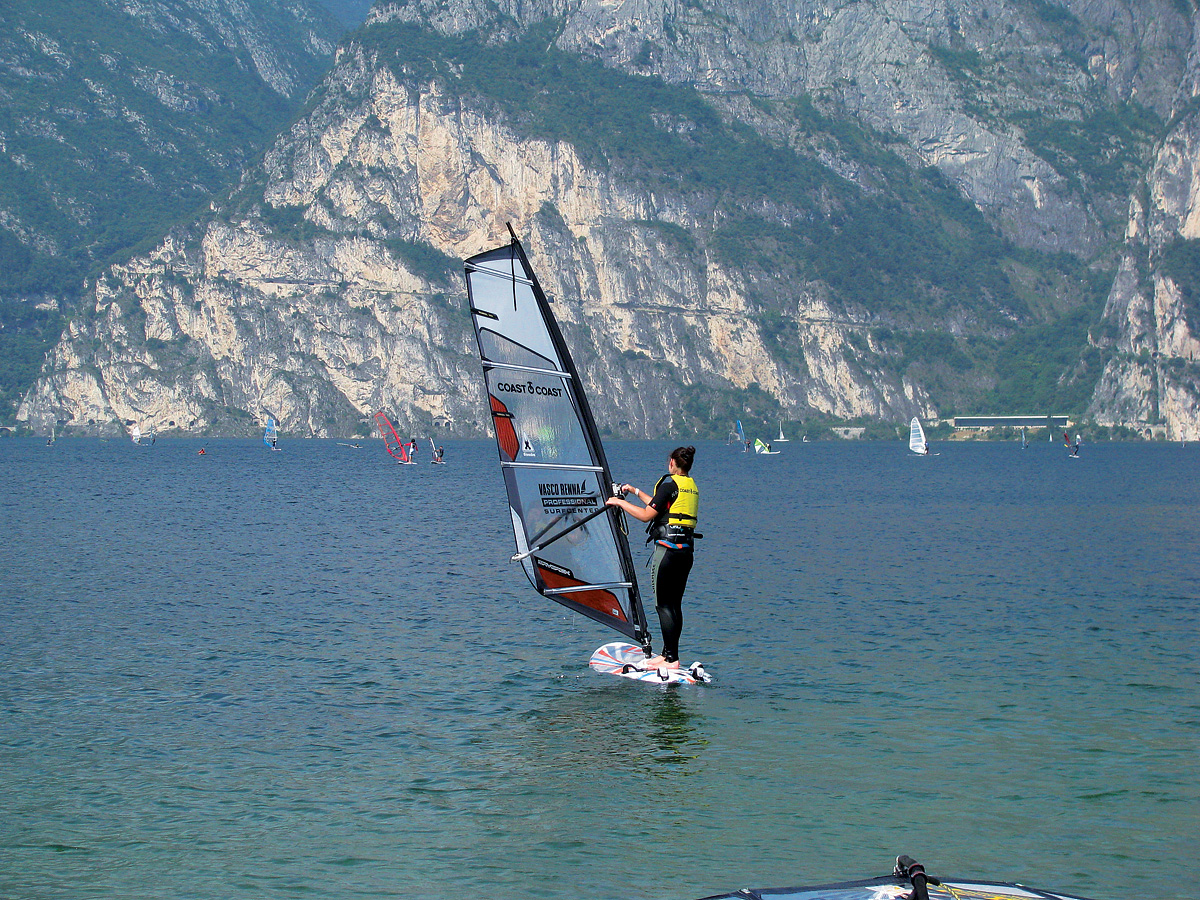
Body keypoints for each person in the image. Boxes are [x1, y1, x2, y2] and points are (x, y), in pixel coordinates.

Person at [606, 446, 699, 669]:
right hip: (685, 553)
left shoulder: (670, 485)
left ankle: (671, 659)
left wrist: (619, 502)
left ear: (672, 463)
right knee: (674, 605)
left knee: (663, 605)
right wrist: (635, 491)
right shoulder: (689, 486)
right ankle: (669, 654)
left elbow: (646, 515)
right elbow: (660, 505)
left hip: (667, 552)